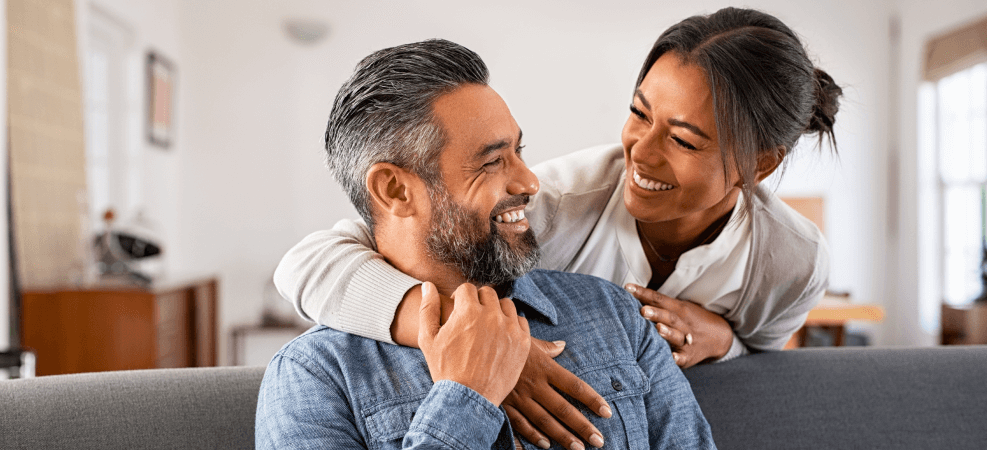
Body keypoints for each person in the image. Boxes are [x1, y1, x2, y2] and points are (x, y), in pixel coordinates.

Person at [275, 6, 841, 448]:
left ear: (759, 165)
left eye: (685, 139)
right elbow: (316, 260)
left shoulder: (786, 261)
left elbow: (762, 355)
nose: (640, 154)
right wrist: (471, 349)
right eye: (639, 113)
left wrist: (724, 339)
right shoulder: (557, 202)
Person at [256, 39, 714, 450]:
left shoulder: (615, 314)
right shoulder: (315, 376)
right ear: (395, 191)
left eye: (519, 151)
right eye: (493, 161)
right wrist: (466, 398)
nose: (530, 181)